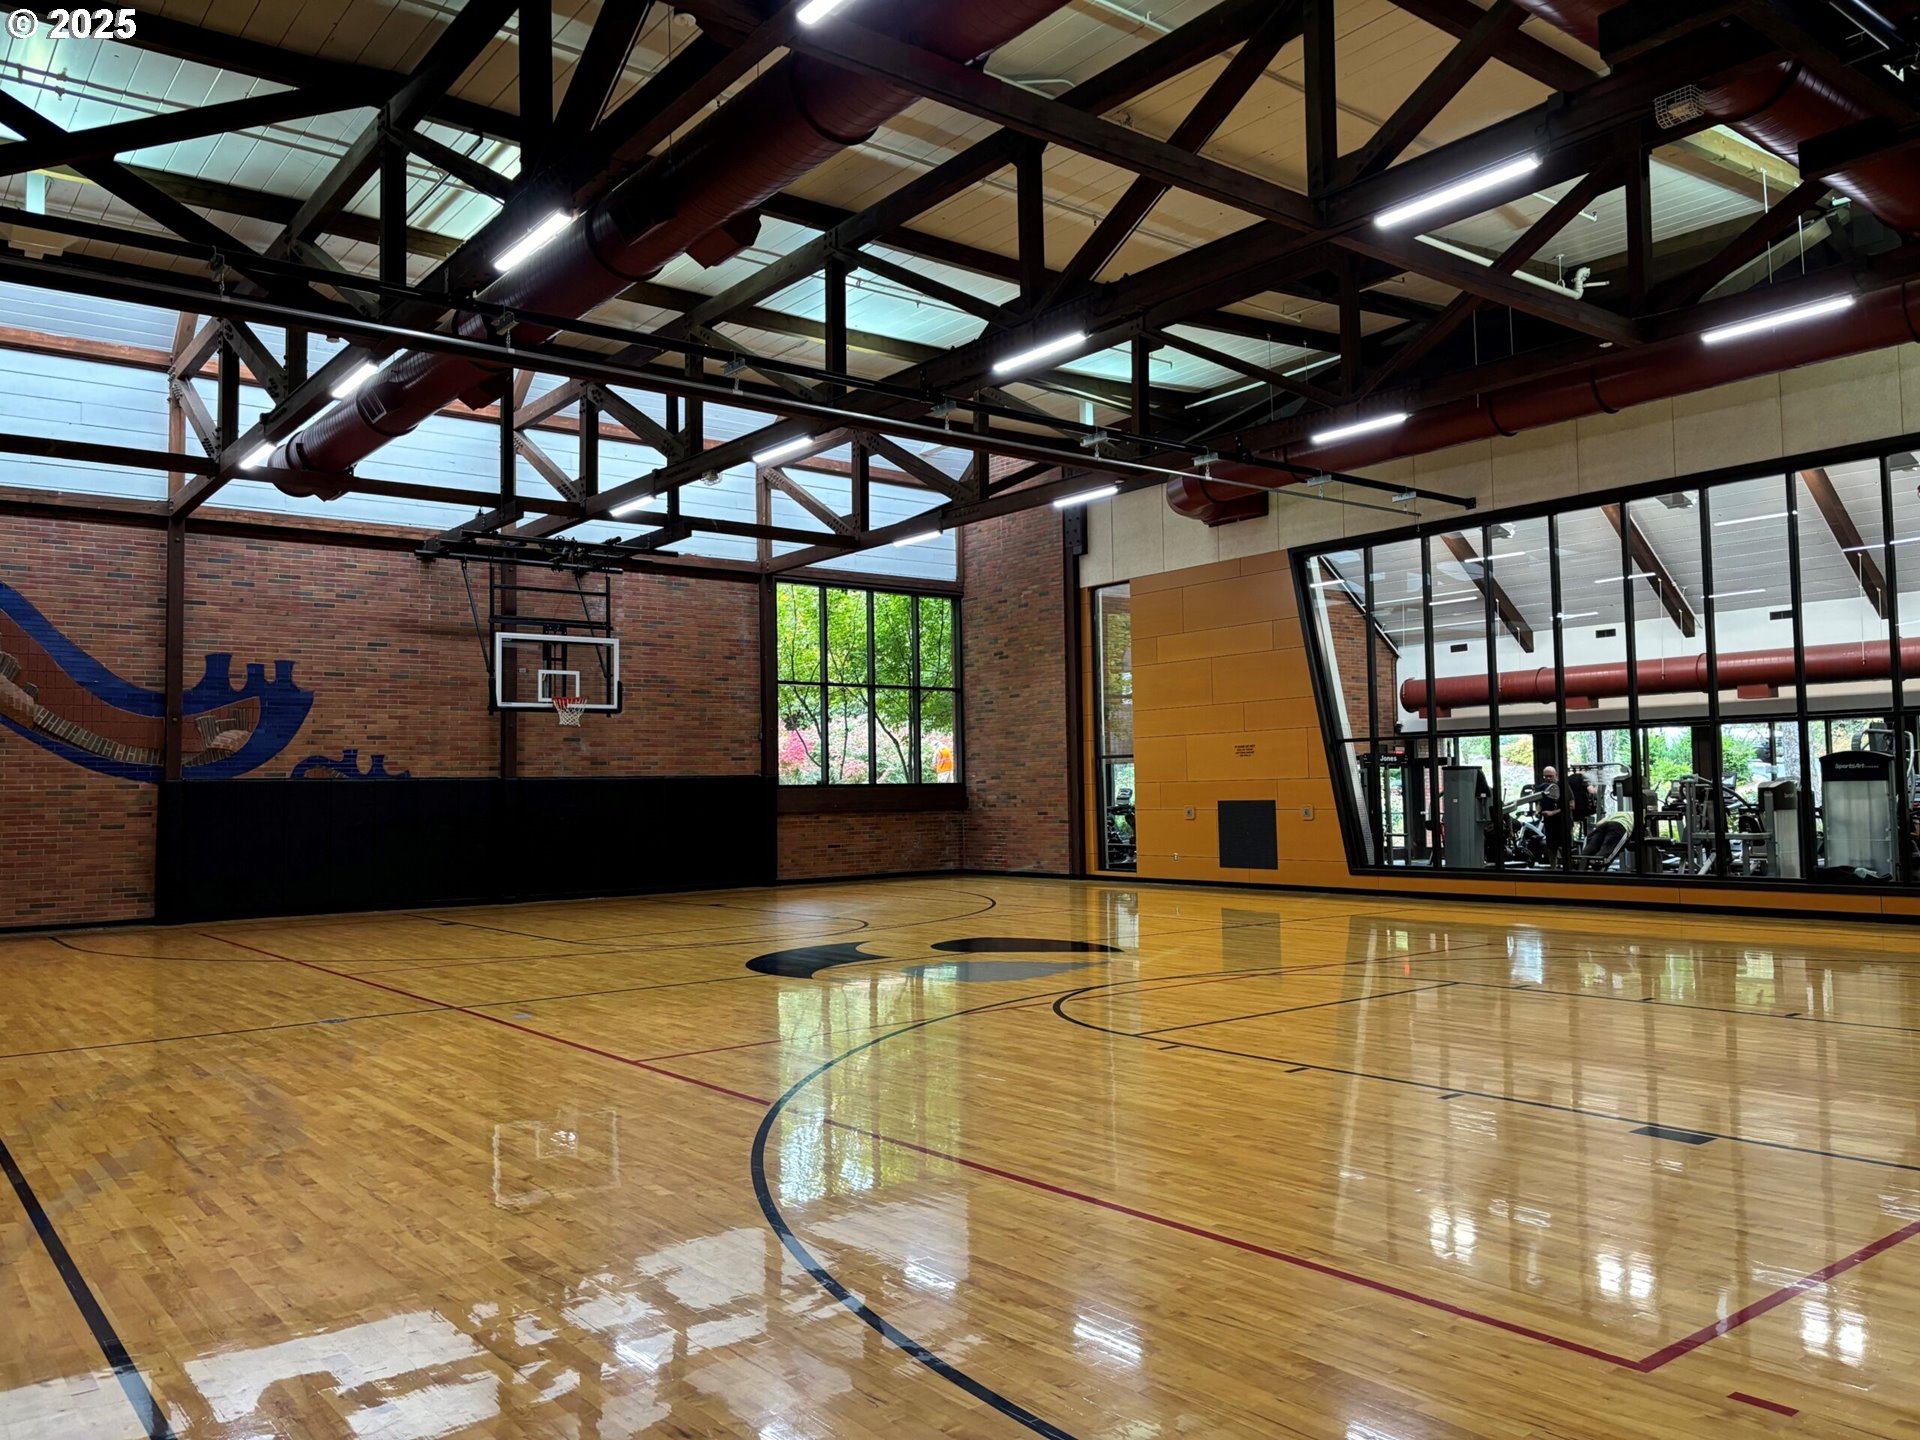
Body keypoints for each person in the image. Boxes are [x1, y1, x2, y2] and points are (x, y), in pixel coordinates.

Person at [1537, 764, 1569, 867]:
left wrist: (1552, 813)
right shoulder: (1542, 788)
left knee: (1565, 846)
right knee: (1551, 848)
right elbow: (1539, 802)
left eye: (1550, 776)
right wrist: (1538, 811)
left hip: (1563, 822)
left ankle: (1568, 871)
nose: (1548, 778)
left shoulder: (1564, 786)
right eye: (1546, 776)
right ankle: (1553, 870)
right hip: (1549, 823)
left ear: (1556, 775)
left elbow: (1571, 805)